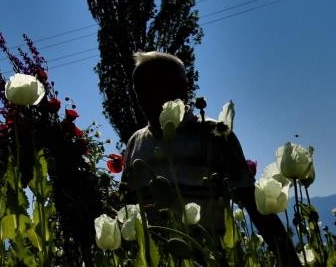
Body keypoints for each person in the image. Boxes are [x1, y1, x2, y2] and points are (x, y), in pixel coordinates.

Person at [120, 52, 301, 267]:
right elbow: (128, 207)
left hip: (209, 258)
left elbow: (255, 204)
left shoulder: (214, 135)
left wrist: (290, 261)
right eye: (138, 88)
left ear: (182, 90)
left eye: (152, 87)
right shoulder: (136, 142)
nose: (142, 97)